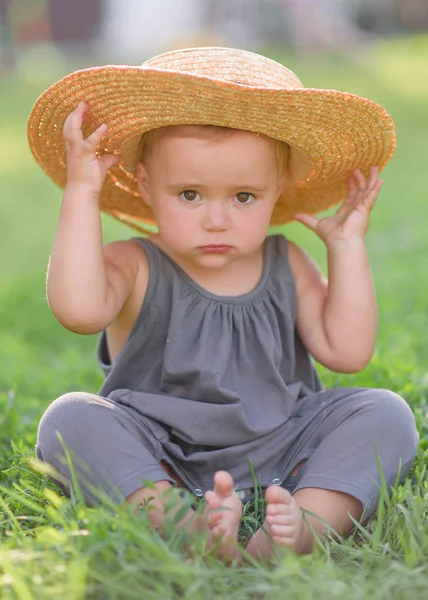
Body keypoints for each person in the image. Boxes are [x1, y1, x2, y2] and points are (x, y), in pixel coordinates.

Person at [28, 47, 419, 563]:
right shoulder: (136, 264)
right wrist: (82, 190)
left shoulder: (287, 262)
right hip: (157, 449)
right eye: (190, 194)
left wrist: (345, 248)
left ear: (278, 191)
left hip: (282, 440)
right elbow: (77, 310)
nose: (217, 219)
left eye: (243, 197)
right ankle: (178, 522)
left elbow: (348, 352)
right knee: (70, 417)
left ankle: (302, 524)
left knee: (385, 413)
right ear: (146, 185)